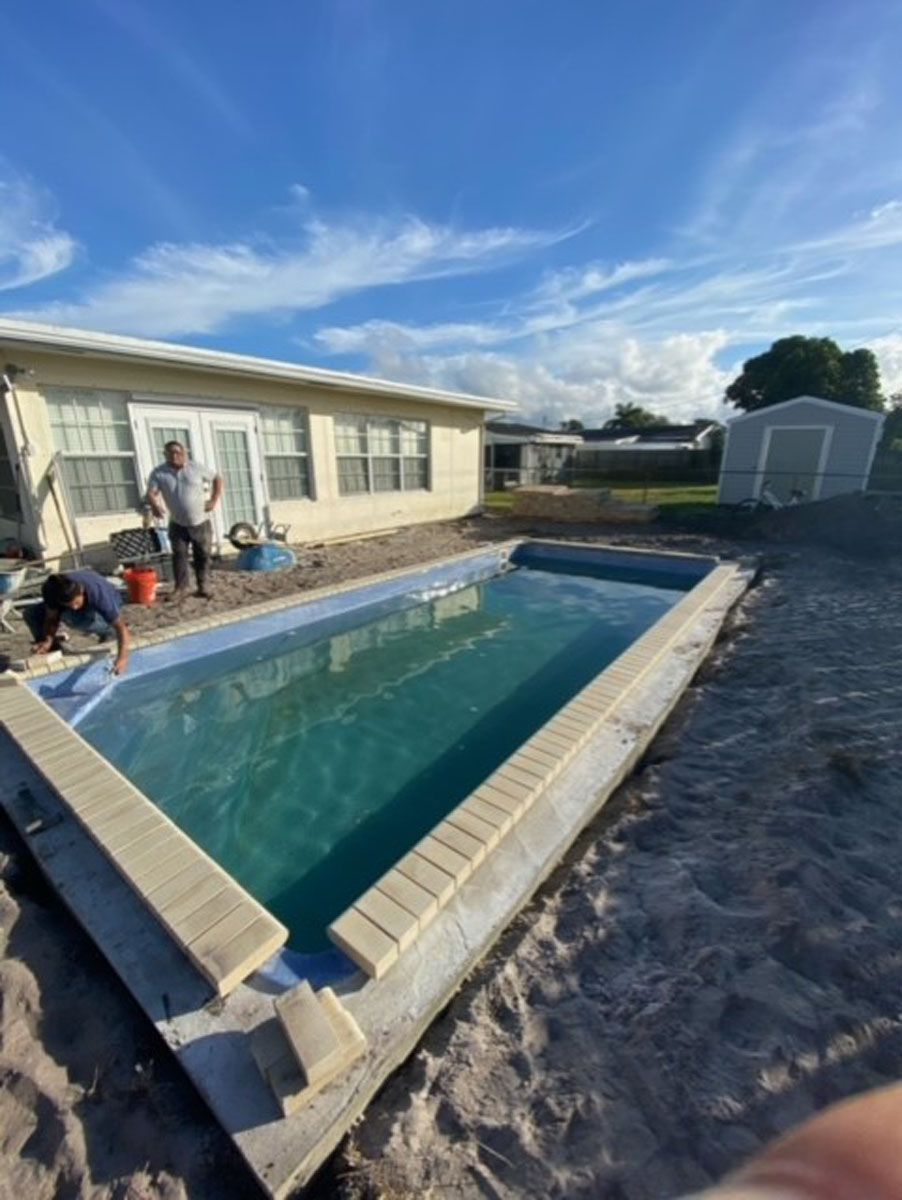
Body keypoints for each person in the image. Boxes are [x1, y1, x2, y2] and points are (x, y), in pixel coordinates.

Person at [146, 441, 223, 601]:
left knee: (202, 555)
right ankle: (181, 588)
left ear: (184, 453)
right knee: (179, 556)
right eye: (171, 453)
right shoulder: (159, 473)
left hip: (200, 522)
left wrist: (214, 499)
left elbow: (217, 478)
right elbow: (151, 492)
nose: (175, 456)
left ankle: (204, 586)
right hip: (177, 523)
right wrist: (154, 504)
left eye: (178, 453)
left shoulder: (196, 468)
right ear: (165, 455)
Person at [25, 570, 130, 675]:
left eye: (76, 602)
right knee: (31, 614)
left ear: (81, 592)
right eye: (69, 605)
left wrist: (122, 659)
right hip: (70, 602)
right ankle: (53, 648)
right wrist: (48, 640)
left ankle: (108, 631)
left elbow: (122, 628)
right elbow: (51, 618)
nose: (74, 607)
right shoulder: (52, 590)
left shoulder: (98, 594)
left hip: (112, 601)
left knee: (74, 619)